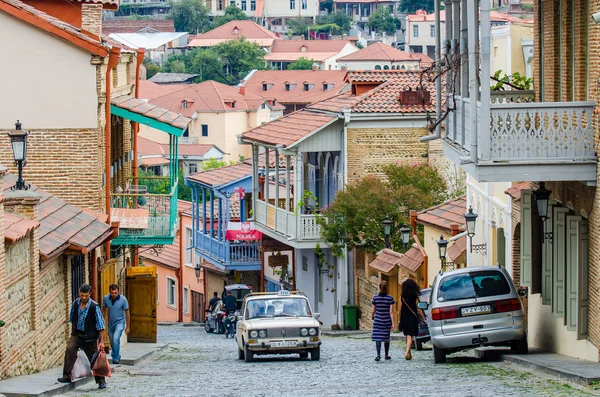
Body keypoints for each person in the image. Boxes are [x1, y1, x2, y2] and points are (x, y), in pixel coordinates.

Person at [58, 284, 107, 389]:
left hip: (90, 337)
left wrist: (102, 341)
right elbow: (72, 318)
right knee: (70, 349)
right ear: (79, 293)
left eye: (86, 296)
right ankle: (67, 376)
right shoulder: (75, 304)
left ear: (90, 294)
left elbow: (101, 325)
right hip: (77, 334)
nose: (84, 298)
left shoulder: (95, 306)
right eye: (82, 295)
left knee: (94, 359)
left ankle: (101, 381)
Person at [399, 278, 426, 360]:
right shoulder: (415, 295)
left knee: (407, 335)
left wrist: (400, 319)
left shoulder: (402, 296)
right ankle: (407, 352)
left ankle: (409, 352)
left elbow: (401, 308)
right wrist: (423, 318)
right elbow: (419, 308)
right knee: (410, 335)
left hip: (404, 317)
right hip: (412, 317)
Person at [102, 284, 130, 365]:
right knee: (112, 340)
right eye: (112, 293)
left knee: (115, 338)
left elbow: (127, 313)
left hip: (120, 322)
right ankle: (116, 355)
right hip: (111, 323)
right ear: (109, 292)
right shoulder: (106, 298)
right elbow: (103, 310)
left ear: (118, 292)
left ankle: (115, 358)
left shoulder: (123, 299)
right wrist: (101, 321)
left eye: (115, 293)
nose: (114, 294)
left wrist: (128, 326)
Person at [371, 280, 395, 361]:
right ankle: (386, 354)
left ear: (379, 287)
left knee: (378, 337)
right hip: (386, 320)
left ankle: (378, 354)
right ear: (387, 288)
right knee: (386, 337)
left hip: (378, 320)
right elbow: (391, 312)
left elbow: (373, 310)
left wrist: (372, 317)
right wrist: (393, 323)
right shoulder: (390, 298)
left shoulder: (375, 298)